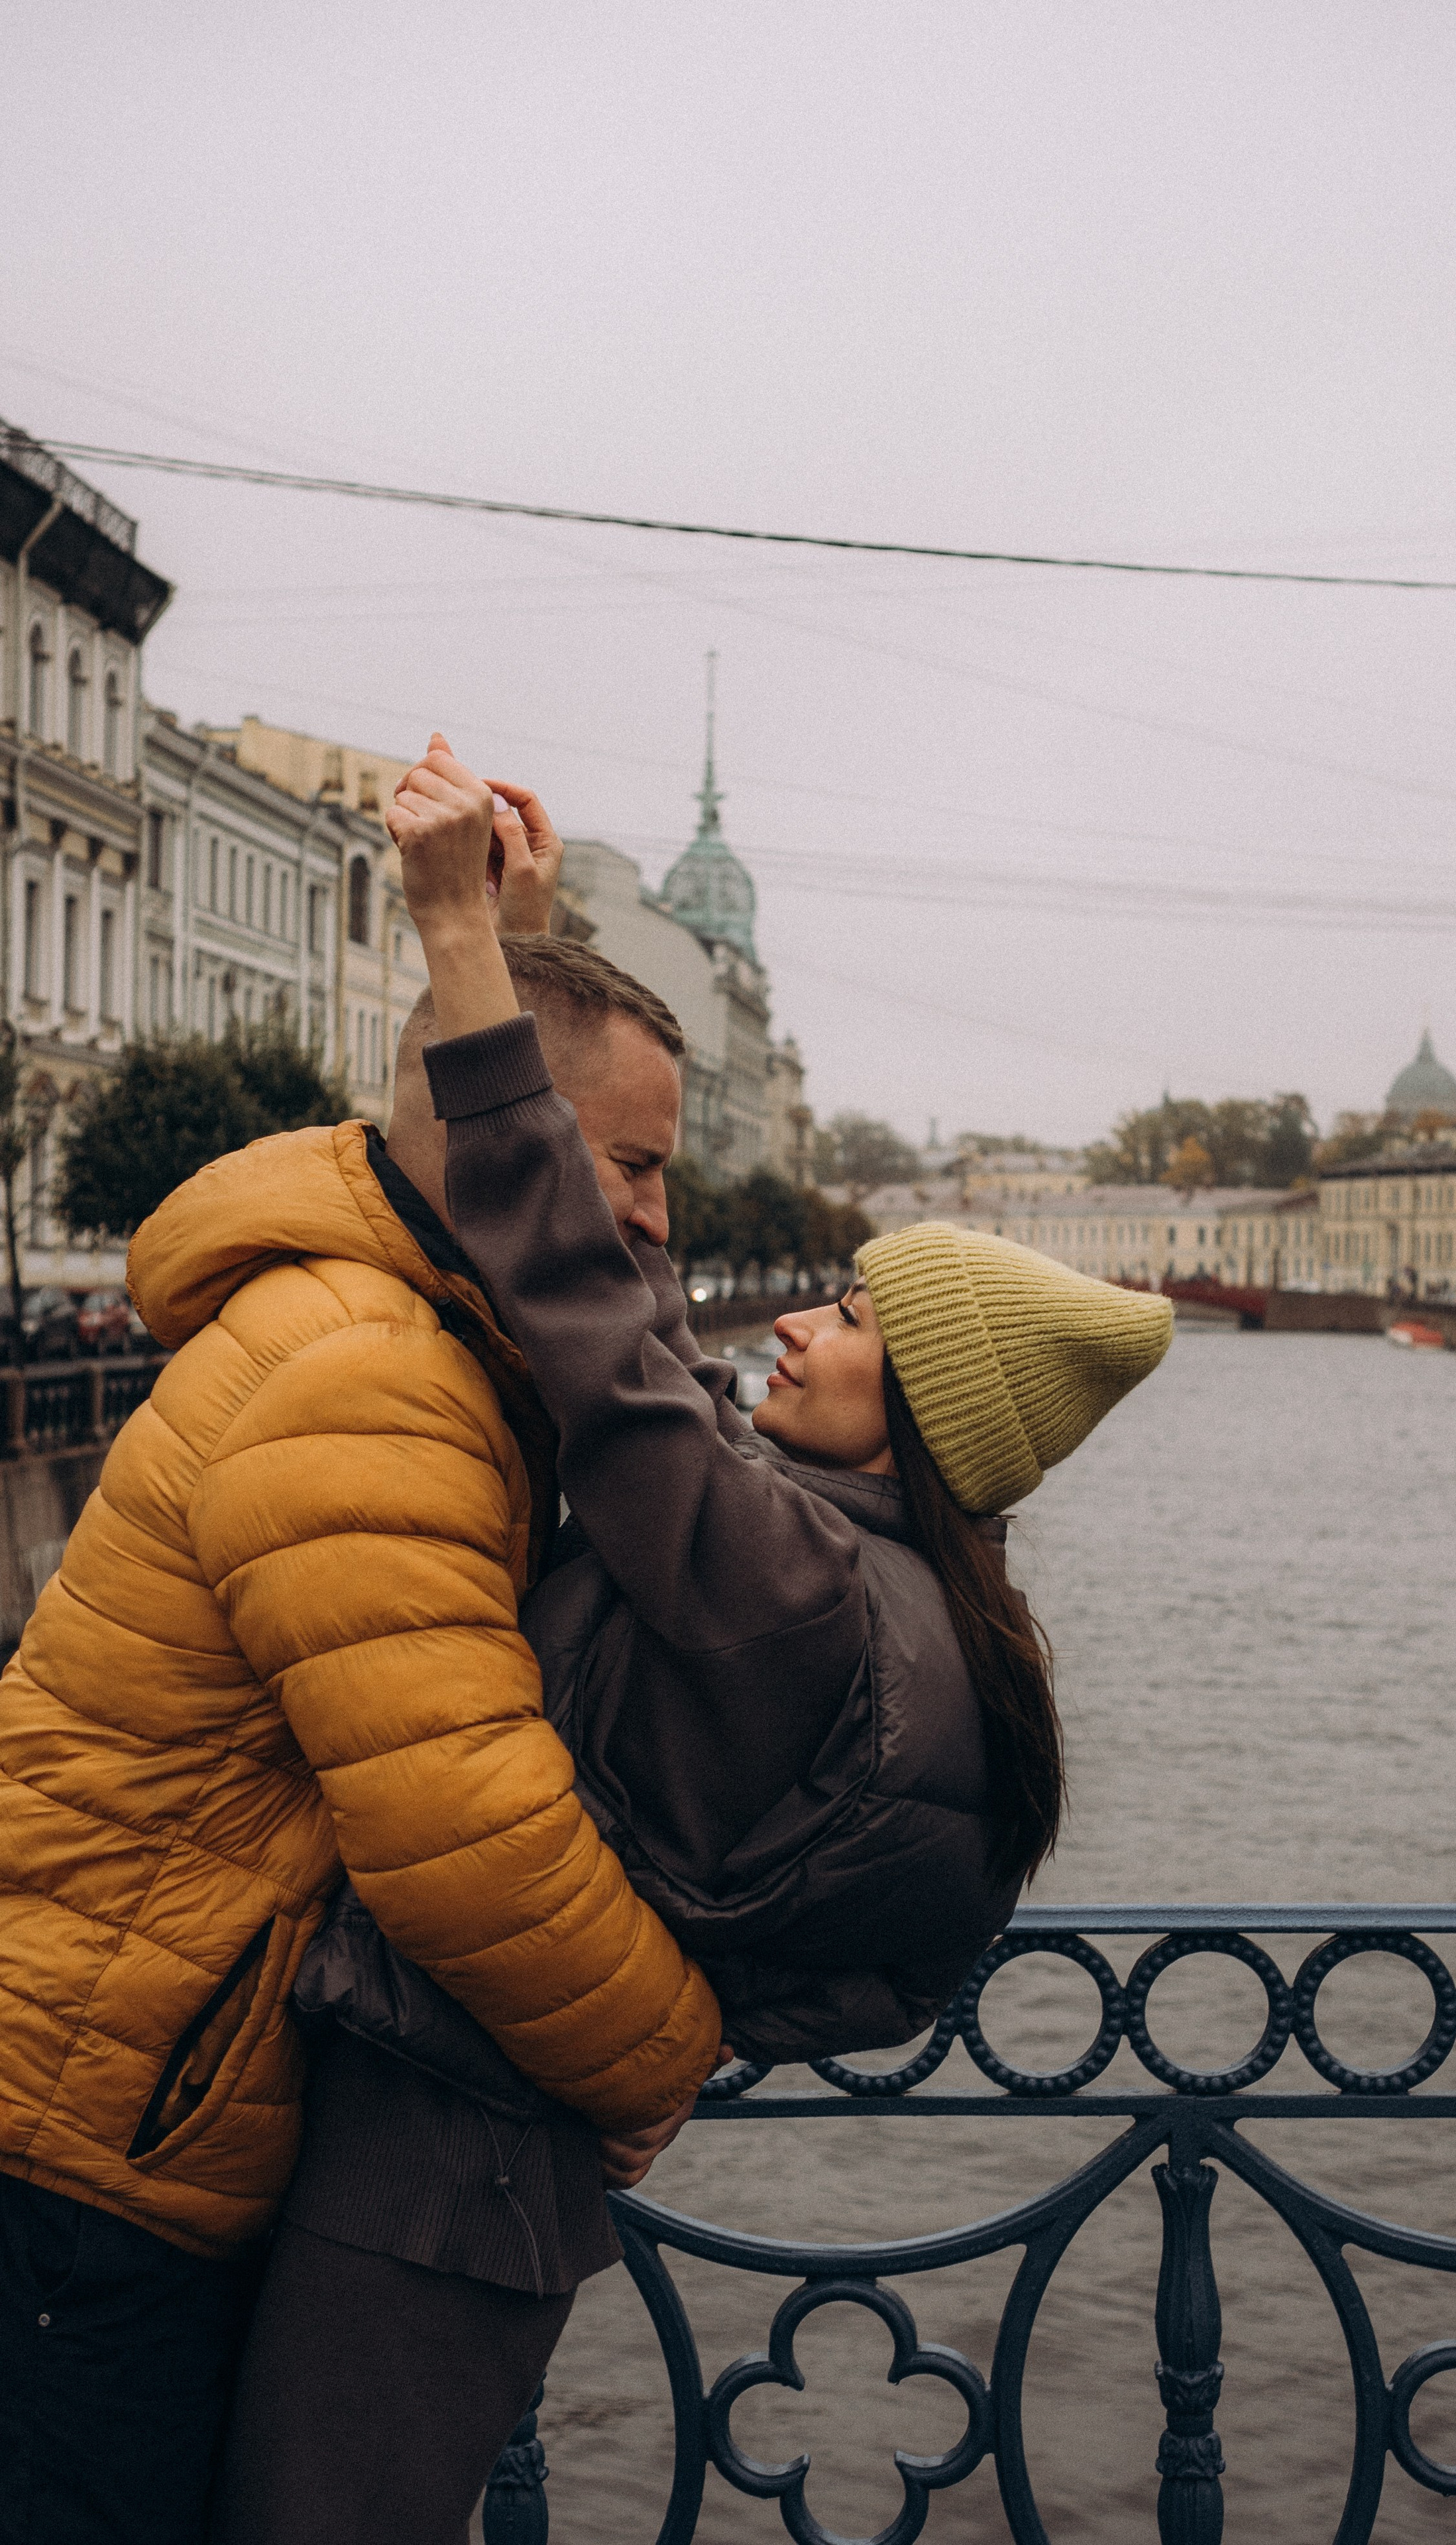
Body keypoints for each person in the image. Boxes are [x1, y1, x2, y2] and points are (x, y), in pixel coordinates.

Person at [237, 739, 1174, 2541]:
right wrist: (682, 2035)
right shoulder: (924, 1620)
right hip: (512, 2151)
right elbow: (873, 1969)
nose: (800, 1322)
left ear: (924, 1410)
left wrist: (461, 952)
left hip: (428, 2142)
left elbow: (598, 1320)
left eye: (852, 1317)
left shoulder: (794, 1587)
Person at [0, 759, 722, 2545]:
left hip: (116, 2096)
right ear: (525, 1143)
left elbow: (475, 1128)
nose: (649, 1216)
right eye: (627, 1166)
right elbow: (464, 1832)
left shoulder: (404, 1324)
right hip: (85, 2150)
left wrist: (506, 947)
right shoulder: (371, 1381)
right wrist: (657, 2055)